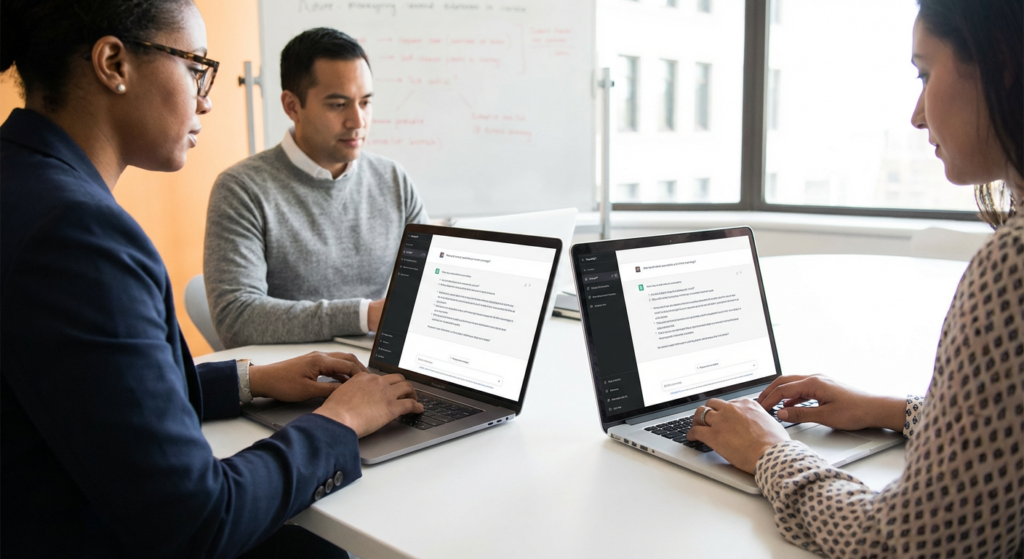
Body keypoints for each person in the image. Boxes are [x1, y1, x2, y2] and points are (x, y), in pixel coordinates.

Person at [0, 1, 423, 556]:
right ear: (113, 64)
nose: (207, 99)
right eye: (195, 66)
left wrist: (252, 381)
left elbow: (102, 394)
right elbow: (199, 521)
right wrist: (341, 421)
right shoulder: (77, 234)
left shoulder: (22, 182)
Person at [686, 0, 1023, 556]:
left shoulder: (1012, 267)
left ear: (1002, 63)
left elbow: (901, 545)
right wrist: (888, 410)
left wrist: (769, 451)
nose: (917, 116)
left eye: (925, 74)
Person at [203, 28, 428, 349]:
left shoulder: (393, 179)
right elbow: (237, 319)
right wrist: (363, 315)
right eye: (338, 105)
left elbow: (430, 284)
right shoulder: (242, 189)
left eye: (365, 102)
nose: (358, 121)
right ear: (292, 106)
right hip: (295, 373)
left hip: (379, 364)